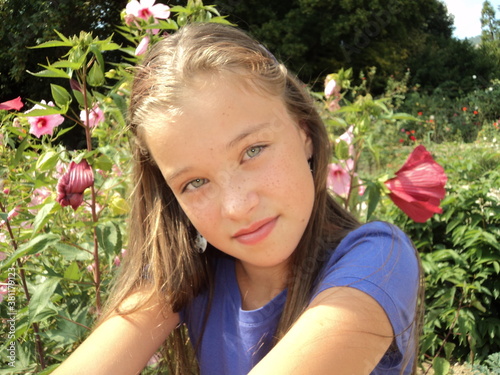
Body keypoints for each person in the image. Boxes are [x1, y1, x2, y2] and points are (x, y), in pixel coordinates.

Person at [53, 23, 422, 375]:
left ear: (303, 131)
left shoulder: (377, 260)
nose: (237, 206)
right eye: (195, 182)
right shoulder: (188, 272)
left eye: (253, 150)